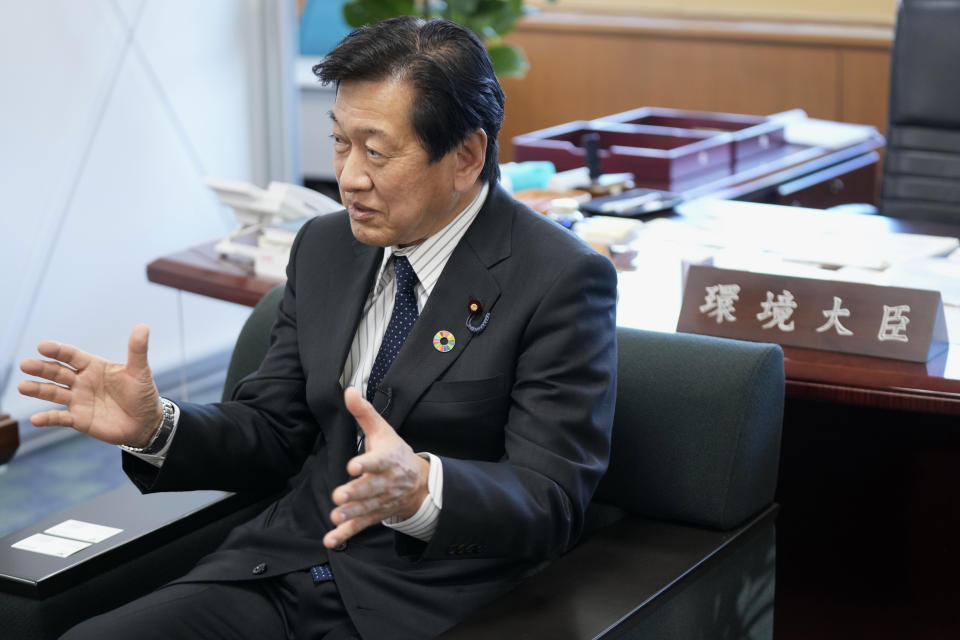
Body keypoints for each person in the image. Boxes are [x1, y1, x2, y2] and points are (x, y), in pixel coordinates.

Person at [18, 16, 617, 640]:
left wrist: (422, 489)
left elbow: (551, 500)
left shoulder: (561, 279)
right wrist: (158, 426)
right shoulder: (326, 244)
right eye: (339, 143)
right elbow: (275, 430)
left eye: (377, 151)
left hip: (427, 597)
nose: (349, 177)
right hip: (283, 565)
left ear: (466, 155)